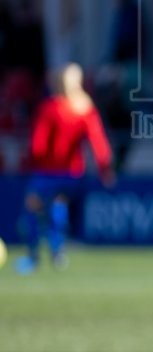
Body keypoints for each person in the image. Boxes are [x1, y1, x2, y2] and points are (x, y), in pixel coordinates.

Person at [16, 63, 114, 274]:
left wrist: (28, 162)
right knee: (58, 208)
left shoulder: (50, 108)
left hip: (46, 173)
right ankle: (57, 252)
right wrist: (105, 169)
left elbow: (38, 144)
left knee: (33, 209)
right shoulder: (85, 109)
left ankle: (33, 256)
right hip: (72, 174)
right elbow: (99, 143)